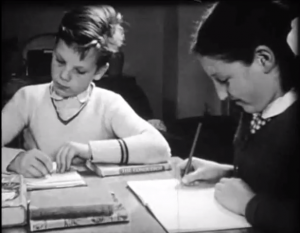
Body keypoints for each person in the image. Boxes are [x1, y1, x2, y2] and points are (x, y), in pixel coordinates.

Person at [2, 5, 171, 177]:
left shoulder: (108, 104)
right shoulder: (28, 98)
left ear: (99, 72)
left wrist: (91, 150)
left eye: (79, 71)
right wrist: (15, 160)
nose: (64, 76)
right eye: (60, 61)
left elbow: (160, 148)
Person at [177, 1, 299, 233]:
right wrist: (226, 172)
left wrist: (250, 205)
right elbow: (274, 179)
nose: (221, 95)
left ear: (264, 59)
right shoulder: (252, 111)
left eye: (224, 80)